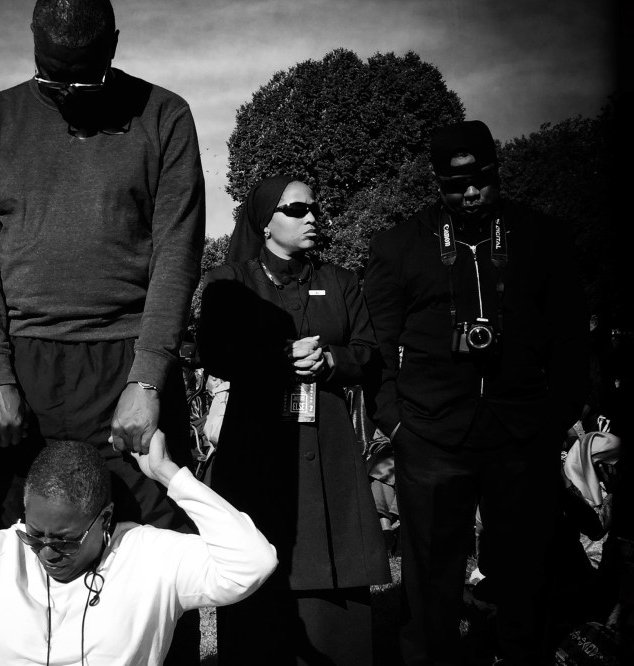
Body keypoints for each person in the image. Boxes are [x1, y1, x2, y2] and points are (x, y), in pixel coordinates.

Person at [0, 3, 204, 656]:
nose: (66, 94)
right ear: (32, 45)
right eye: (51, 77)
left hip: (126, 362)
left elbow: (177, 251)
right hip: (23, 370)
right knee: (2, 552)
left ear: (114, 45)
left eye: (82, 80)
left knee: (156, 553)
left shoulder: (165, 116)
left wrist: (149, 377)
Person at [362, 120, 589, 665]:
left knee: (525, 568)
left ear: (496, 171)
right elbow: (377, 343)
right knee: (429, 575)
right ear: (437, 181)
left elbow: (571, 338)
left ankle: (522, 654)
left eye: (480, 180)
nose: (469, 193)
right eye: (454, 184)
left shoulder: (543, 237)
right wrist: (394, 422)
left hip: (521, 433)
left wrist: (555, 417)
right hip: (429, 434)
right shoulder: (399, 245)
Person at [0, 426, 276, 666]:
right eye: (34, 534)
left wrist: (169, 473)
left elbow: (253, 563)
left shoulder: (150, 556)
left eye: (65, 540)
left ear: (106, 519)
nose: (46, 553)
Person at [199, 175, 390, 664]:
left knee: (336, 565)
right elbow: (214, 350)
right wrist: (277, 355)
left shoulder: (340, 280)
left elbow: (369, 350)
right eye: (297, 210)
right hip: (257, 444)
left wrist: (332, 361)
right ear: (265, 222)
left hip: (328, 442)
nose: (312, 218)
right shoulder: (229, 281)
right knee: (261, 564)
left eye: (314, 209)